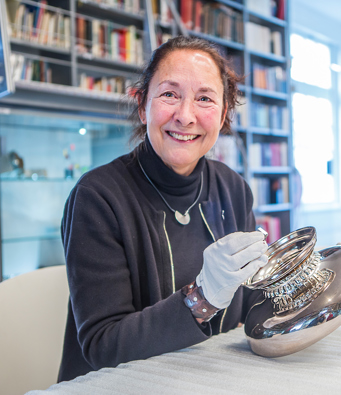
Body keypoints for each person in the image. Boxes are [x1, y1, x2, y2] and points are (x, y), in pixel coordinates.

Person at [58, 35, 269, 383]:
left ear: (223, 115)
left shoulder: (233, 188)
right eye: (170, 94)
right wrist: (201, 298)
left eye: (204, 98)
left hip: (210, 379)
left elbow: (250, 308)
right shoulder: (97, 197)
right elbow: (102, 346)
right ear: (142, 105)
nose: (185, 116)